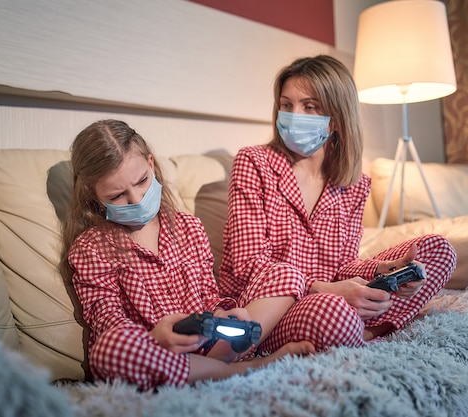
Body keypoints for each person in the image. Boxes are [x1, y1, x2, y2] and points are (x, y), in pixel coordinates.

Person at [218, 55, 457, 355]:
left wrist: (382, 270)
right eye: (286, 105)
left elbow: (343, 266)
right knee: (333, 311)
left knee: (438, 250)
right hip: (270, 304)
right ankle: (352, 330)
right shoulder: (253, 162)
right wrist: (327, 290)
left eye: (309, 106)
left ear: (337, 118)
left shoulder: (355, 184)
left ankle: (366, 331)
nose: (294, 115)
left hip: (332, 295)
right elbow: (249, 266)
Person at [59, 119, 314, 391]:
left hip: (208, 345)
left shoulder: (189, 227)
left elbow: (208, 296)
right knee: (109, 349)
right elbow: (107, 321)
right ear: (93, 196)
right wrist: (156, 338)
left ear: (151, 164)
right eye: (118, 195)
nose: (136, 199)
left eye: (142, 181)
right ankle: (238, 370)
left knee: (285, 273)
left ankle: (210, 369)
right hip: (156, 354)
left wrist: (224, 314)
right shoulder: (91, 248)